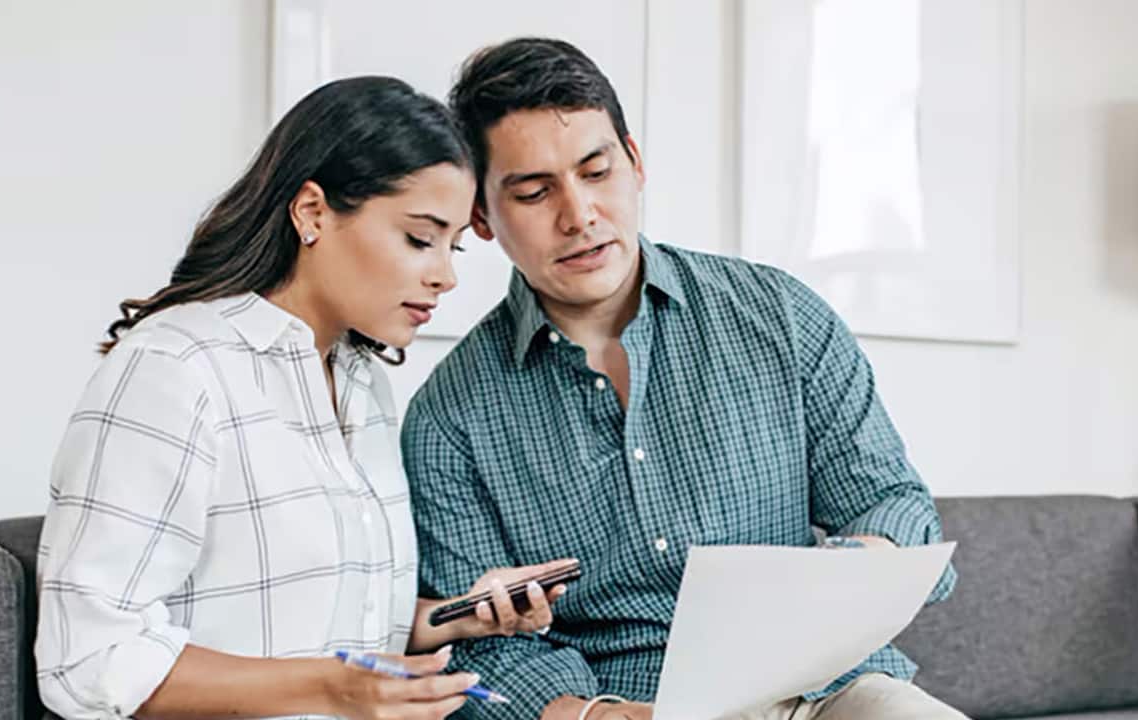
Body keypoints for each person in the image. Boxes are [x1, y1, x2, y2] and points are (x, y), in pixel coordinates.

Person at [403, 39, 965, 720]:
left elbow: (893, 504)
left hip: (830, 693)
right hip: (626, 707)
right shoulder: (448, 419)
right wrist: (592, 714)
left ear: (635, 165)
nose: (579, 216)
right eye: (533, 191)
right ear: (483, 218)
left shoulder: (780, 315)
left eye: (597, 171)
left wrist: (838, 577)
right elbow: (480, 657)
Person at [36, 76, 569, 720]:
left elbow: (323, 631)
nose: (445, 275)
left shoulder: (361, 382)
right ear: (313, 212)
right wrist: (333, 689)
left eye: (451, 246)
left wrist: (456, 619)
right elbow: (88, 661)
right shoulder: (174, 370)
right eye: (419, 238)